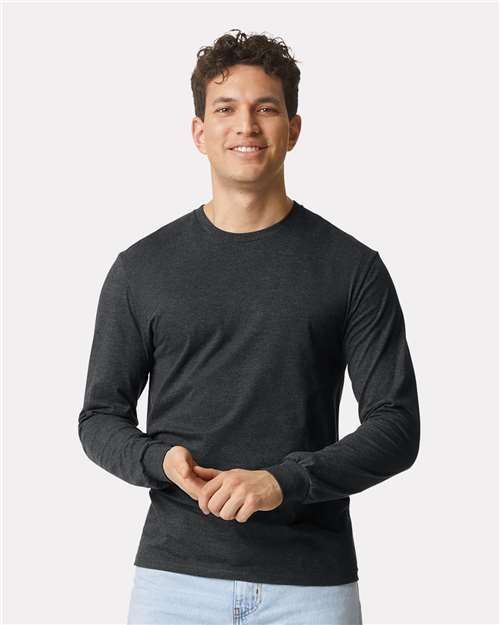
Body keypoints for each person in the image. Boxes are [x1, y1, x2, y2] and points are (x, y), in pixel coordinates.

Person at [78, 28, 420, 625]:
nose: (246, 126)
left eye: (266, 108)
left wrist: (283, 482)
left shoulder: (352, 268)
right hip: (174, 582)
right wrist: (162, 461)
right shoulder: (141, 268)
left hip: (310, 587)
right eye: (225, 109)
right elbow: (99, 419)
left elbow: (396, 426)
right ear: (198, 132)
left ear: (294, 128)